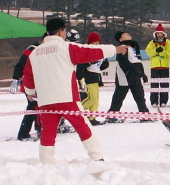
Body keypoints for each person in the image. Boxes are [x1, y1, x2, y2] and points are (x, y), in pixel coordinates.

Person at [21, 17, 126, 164]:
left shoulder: (35, 53)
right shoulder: (66, 47)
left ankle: (46, 162)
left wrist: (30, 93)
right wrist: (114, 49)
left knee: (48, 132)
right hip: (66, 97)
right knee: (83, 127)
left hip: (45, 100)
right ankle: (97, 157)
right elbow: (91, 51)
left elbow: (27, 76)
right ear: (60, 31)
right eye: (64, 31)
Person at [107, 31, 151, 122]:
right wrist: (134, 72)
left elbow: (138, 62)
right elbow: (122, 61)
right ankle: (112, 115)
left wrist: (142, 73)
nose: (128, 34)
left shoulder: (134, 47)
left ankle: (144, 115)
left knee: (140, 96)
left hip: (135, 75)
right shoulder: (122, 48)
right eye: (124, 35)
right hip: (124, 75)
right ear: (120, 39)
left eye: (128, 33)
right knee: (119, 96)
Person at [11, 37, 43, 141]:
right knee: (34, 108)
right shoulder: (32, 50)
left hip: (38, 84)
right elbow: (19, 65)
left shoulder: (43, 51)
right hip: (29, 85)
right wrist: (15, 79)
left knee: (37, 108)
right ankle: (24, 133)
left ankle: (38, 129)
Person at [77, 32, 110, 126]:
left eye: (97, 42)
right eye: (94, 42)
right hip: (88, 77)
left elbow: (102, 63)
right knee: (91, 97)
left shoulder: (99, 51)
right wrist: (90, 63)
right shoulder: (87, 50)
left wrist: (104, 64)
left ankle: (92, 118)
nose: (96, 44)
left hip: (96, 77)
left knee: (96, 99)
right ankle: (78, 112)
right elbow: (81, 65)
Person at [145, 24, 170, 108]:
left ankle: (164, 101)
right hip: (154, 66)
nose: (159, 35)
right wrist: (156, 51)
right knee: (154, 85)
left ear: (163, 34)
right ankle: (154, 101)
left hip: (165, 66)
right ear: (155, 34)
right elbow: (148, 52)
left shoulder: (167, 42)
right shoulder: (152, 42)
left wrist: (161, 52)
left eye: (160, 33)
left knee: (164, 85)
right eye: (157, 33)